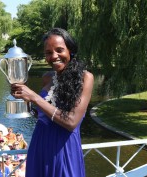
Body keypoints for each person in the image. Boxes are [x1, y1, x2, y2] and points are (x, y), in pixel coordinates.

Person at [11, 28, 94, 177]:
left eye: (59, 50)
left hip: (64, 149)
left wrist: (35, 97)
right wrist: (26, 101)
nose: (54, 56)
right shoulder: (47, 77)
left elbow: (71, 122)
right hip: (40, 145)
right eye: (48, 52)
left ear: (71, 50)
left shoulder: (85, 78)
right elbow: (42, 115)